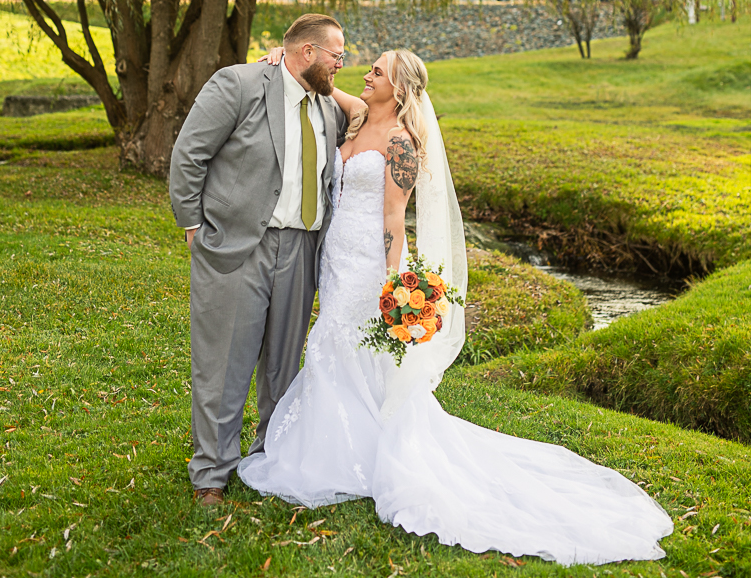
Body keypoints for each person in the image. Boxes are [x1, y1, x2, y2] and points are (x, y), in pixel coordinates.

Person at [235, 47, 672, 564]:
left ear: (398, 90)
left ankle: (352, 452)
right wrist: (285, 57)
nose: (368, 74)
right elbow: (324, 86)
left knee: (346, 345)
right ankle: (336, 438)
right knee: (334, 346)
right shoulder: (356, 118)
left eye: (379, 71)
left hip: (368, 267)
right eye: (371, 68)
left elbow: (394, 222)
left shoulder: (401, 144)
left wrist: (393, 286)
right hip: (335, 259)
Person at [167, 13, 349, 505]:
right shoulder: (239, 84)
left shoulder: (330, 109)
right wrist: (192, 224)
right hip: (240, 245)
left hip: (303, 250)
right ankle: (211, 474)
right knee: (223, 363)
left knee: (283, 368)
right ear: (308, 52)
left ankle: (271, 458)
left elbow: (379, 109)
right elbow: (189, 155)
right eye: (338, 55)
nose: (342, 65)